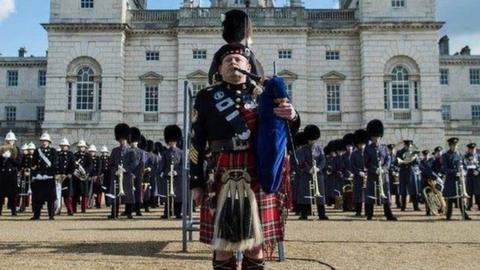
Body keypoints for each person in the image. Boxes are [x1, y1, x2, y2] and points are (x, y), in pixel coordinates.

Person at [364, 120, 397, 221]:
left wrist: (383, 169)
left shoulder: (384, 148)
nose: (376, 139)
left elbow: (388, 160)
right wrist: (375, 169)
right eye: (374, 137)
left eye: (377, 137)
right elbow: (366, 163)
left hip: (383, 174)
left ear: (380, 137)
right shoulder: (368, 149)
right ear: (371, 137)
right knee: (370, 193)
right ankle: (369, 214)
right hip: (373, 175)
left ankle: (388, 214)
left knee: (386, 193)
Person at [442, 137, 471, 220]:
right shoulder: (445, 155)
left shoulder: (460, 155)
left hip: (459, 179)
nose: (455, 147)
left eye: (456, 145)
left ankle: (464, 214)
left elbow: (464, 166)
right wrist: (454, 172)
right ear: (450, 146)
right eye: (453, 145)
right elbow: (444, 169)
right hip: (451, 179)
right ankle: (449, 215)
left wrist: (464, 171)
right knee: (450, 198)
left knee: (461, 197)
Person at [31, 132, 58, 220]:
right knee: (37, 198)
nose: (44, 142)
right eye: (43, 141)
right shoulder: (37, 151)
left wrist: (53, 173)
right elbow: (34, 163)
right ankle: (36, 215)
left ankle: (51, 215)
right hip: (39, 177)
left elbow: (55, 163)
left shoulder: (53, 151)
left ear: (49, 142)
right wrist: (34, 172)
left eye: (46, 141)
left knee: (50, 198)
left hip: (49, 177)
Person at [0, 131, 20, 216]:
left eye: (11, 140)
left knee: (13, 194)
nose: (9, 142)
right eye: (8, 140)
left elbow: (18, 163)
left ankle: (13, 211)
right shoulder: (1, 149)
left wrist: (10, 158)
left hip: (12, 174)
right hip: (2, 174)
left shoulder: (17, 150)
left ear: (14, 141)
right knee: (0, 194)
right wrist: (2, 158)